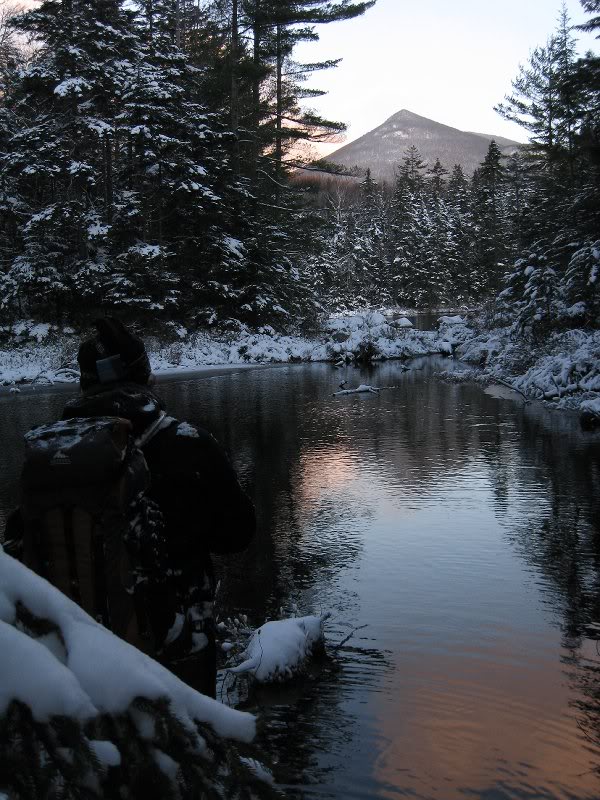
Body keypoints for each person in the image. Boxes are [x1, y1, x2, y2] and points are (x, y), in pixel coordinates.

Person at [6, 317, 256, 698]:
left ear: (85, 382)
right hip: (175, 640)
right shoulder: (190, 445)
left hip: (73, 647)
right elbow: (239, 533)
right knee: (188, 743)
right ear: (145, 377)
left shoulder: (51, 456)